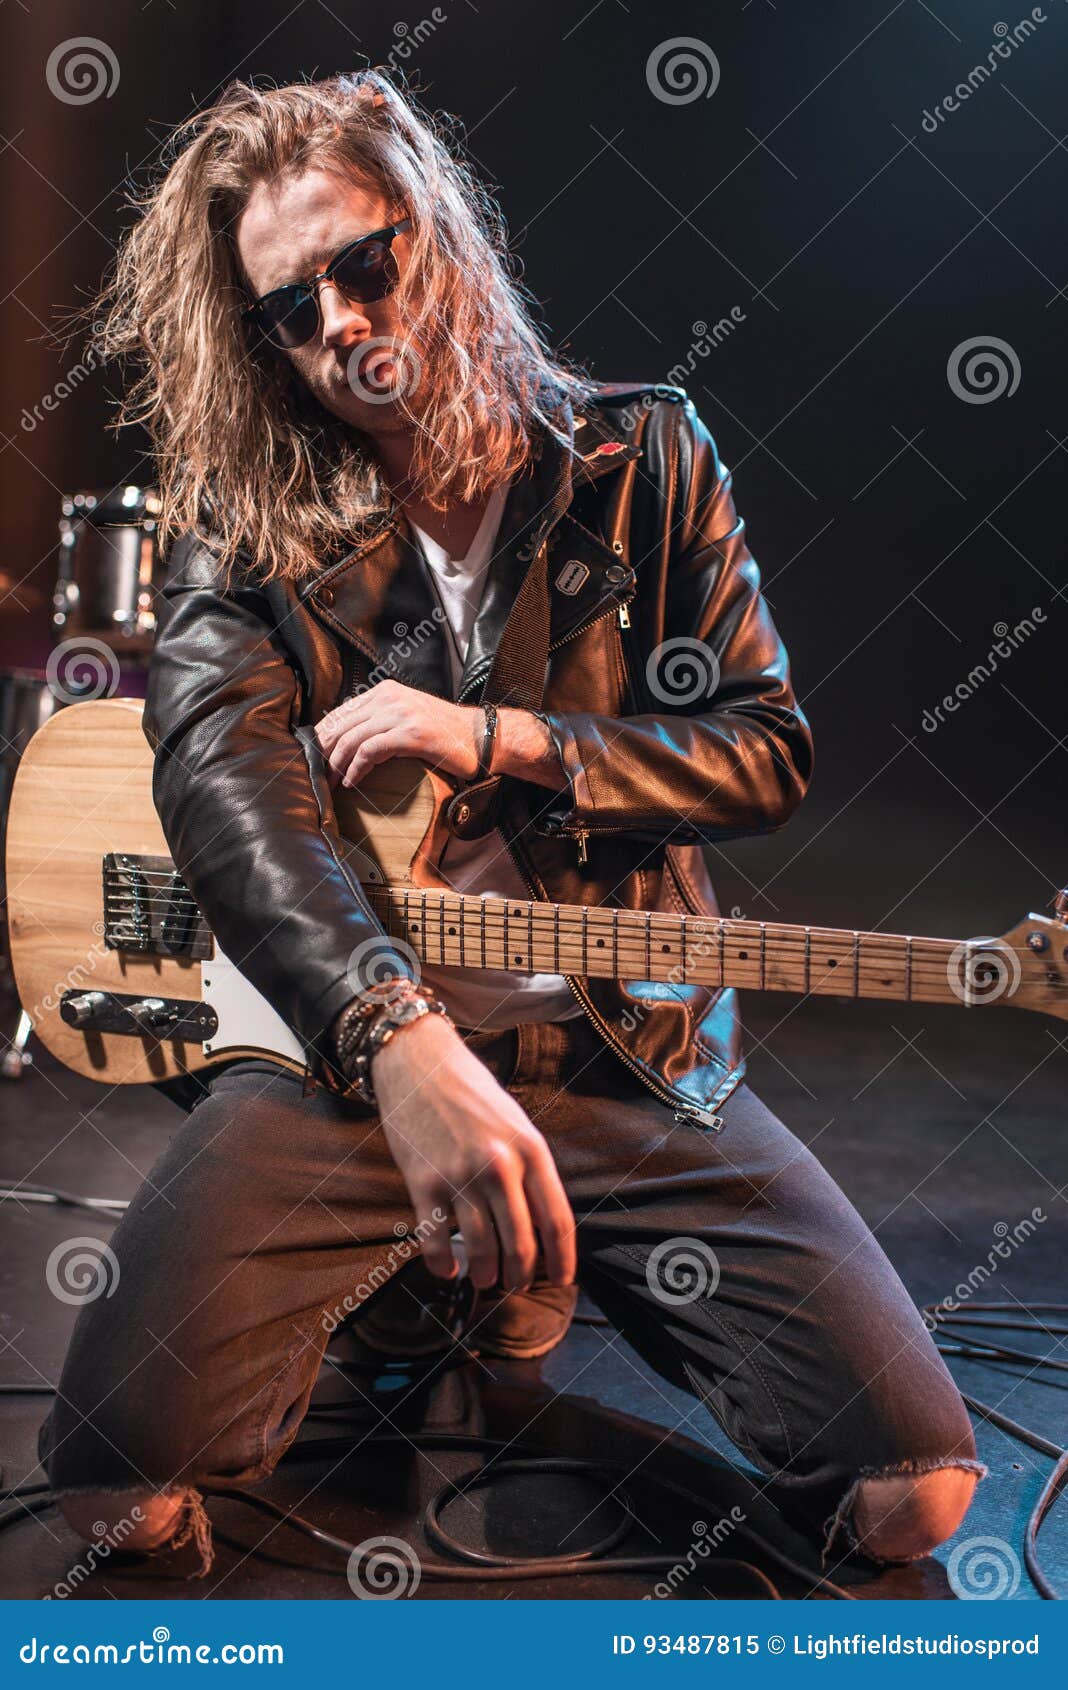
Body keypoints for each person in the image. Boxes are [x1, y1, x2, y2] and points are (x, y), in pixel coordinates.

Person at [39, 70, 982, 1581]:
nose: (342, 317)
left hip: (624, 1049)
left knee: (916, 1497)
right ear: (261, 343)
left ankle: (503, 1272)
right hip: (349, 1058)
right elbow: (224, 787)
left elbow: (763, 749)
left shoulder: (647, 458)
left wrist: (506, 738)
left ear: (438, 236)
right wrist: (397, 1044)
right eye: (292, 306)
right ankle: (422, 1275)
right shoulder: (245, 516)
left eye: (366, 262)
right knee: (114, 1500)